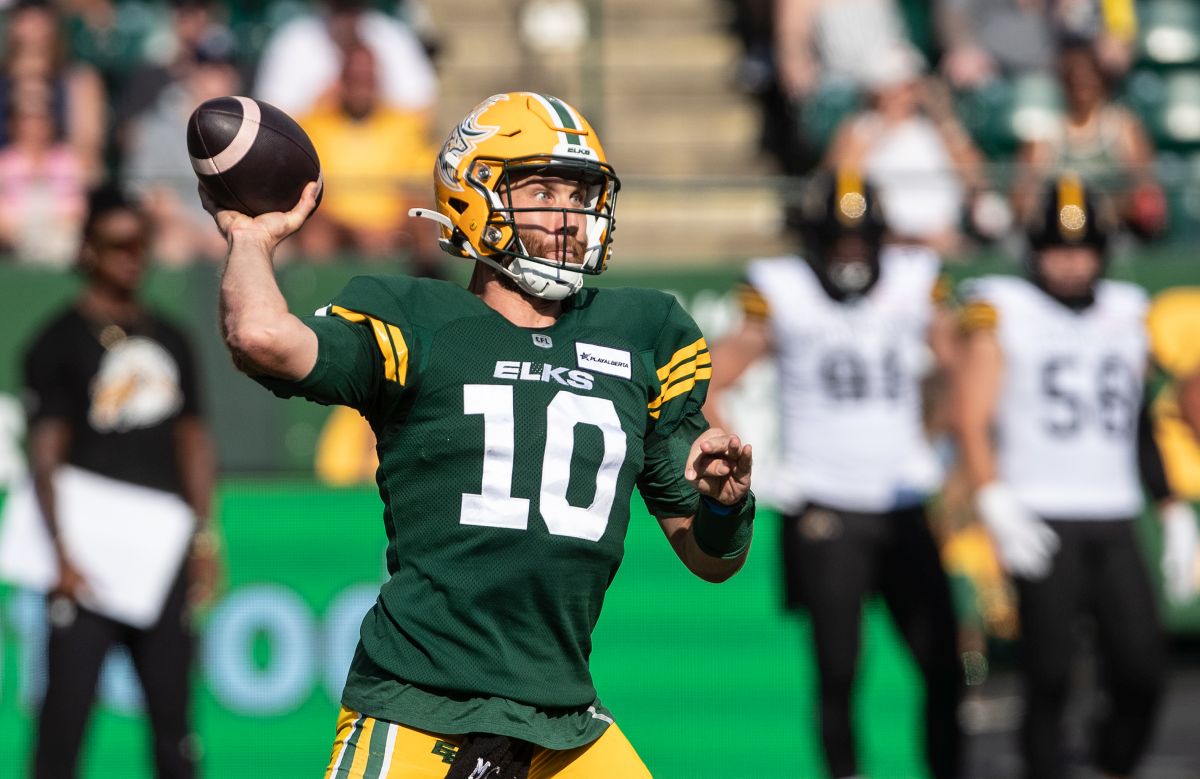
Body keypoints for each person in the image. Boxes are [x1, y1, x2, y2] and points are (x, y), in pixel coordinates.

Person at [201, 91, 755, 778]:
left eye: (580, 193)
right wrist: (251, 238)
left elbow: (711, 557)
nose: (568, 215)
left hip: (561, 717)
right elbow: (259, 336)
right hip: (420, 703)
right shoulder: (418, 319)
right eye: (542, 190)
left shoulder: (644, 332)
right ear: (474, 196)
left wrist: (726, 503)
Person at [706, 170, 963, 779]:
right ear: (817, 237)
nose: (851, 251)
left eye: (860, 238)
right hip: (822, 502)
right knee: (839, 671)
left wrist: (942, 450)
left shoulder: (913, 280)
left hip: (902, 500)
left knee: (944, 664)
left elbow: (965, 366)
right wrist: (754, 465)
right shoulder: (782, 287)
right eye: (839, 239)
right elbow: (710, 379)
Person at [955, 175, 1200, 779]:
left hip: (1114, 515)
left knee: (1143, 670)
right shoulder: (1003, 306)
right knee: (1049, 673)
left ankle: (1110, 765)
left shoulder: (1127, 309)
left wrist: (1170, 510)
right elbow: (971, 412)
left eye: (1082, 248)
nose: (1070, 261)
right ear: (1035, 251)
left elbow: (1138, 419)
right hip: (1039, 510)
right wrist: (993, 496)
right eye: (1058, 249)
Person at [22, 186, 220, 778]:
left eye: (141, 243)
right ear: (87, 251)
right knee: (64, 722)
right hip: (86, 559)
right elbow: (46, 454)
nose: (131, 256)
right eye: (116, 245)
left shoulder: (173, 338)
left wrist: (204, 538)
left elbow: (194, 440)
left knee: (173, 728)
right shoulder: (57, 342)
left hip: (159, 555)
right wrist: (57, 553)